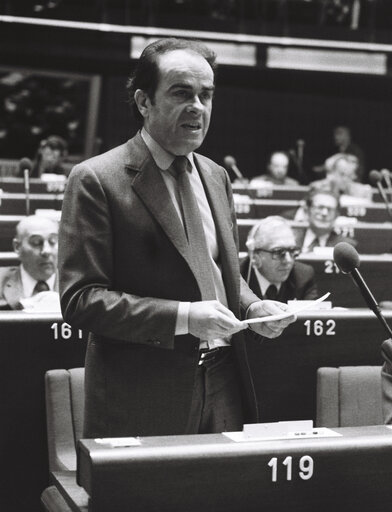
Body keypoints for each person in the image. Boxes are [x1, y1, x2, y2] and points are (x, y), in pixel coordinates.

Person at [58, 38, 295, 438]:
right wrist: (185, 318)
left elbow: (220, 272)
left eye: (206, 95)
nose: (198, 107)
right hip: (143, 390)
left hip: (226, 377)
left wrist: (253, 307)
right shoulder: (96, 178)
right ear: (143, 101)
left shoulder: (216, 176)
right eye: (182, 93)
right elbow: (82, 300)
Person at [241, 216, 318, 302]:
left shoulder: (304, 276)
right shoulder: (237, 276)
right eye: (278, 252)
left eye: (292, 251)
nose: (288, 260)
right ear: (255, 256)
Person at [0, 215, 58, 310]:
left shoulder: (79, 284)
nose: (47, 251)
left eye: (53, 241)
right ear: (17, 247)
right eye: (36, 242)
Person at [295, 188, 356, 252]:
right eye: (320, 207)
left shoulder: (346, 247)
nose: (324, 213)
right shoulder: (290, 239)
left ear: (337, 214)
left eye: (330, 209)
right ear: (307, 210)